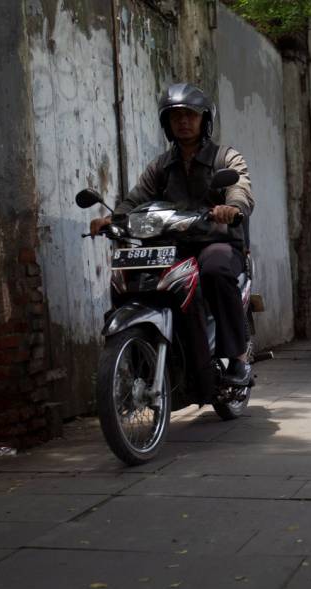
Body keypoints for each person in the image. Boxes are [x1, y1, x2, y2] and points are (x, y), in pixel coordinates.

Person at [88, 83, 254, 392]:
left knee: (215, 271)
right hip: (171, 246)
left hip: (214, 241)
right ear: (167, 123)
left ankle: (238, 357)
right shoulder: (161, 166)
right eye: (175, 116)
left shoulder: (224, 157)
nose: (183, 122)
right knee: (135, 278)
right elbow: (136, 199)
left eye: (190, 115)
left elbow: (240, 186)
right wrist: (114, 218)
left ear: (205, 120)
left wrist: (232, 207)